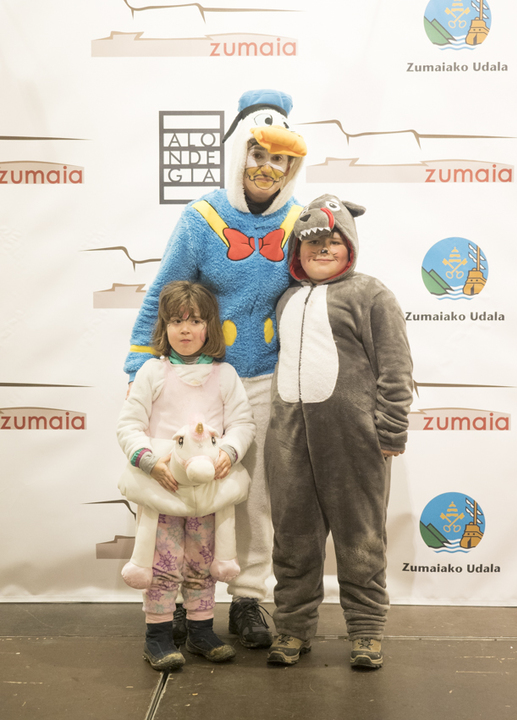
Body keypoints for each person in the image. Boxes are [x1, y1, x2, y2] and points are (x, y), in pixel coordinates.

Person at [124, 89, 307, 648]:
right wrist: (139, 364)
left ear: (292, 167)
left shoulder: (299, 221)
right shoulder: (201, 217)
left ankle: (247, 598)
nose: (267, 169)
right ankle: (181, 599)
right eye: (258, 154)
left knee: (255, 496)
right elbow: (166, 290)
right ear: (238, 154)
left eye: (280, 160)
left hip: (267, 377)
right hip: (198, 375)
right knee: (182, 484)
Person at [264, 195, 414, 668]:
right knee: (292, 539)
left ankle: (366, 631)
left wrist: (390, 431)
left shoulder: (371, 294)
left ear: (350, 245)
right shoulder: (287, 298)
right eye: (312, 244)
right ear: (298, 252)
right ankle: (292, 628)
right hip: (289, 441)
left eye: (334, 241)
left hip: (354, 441)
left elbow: (395, 367)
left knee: (361, 539)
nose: (323, 249)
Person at [117, 281, 256, 670]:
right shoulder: (152, 372)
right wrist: (149, 461)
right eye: (176, 321)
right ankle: (158, 637)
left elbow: (242, 423)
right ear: (164, 327)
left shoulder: (225, 375)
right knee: (162, 562)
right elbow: (129, 425)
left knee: (202, 560)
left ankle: (201, 631)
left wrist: (229, 451)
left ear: (209, 326)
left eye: (195, 321)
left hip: (207, 490)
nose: (185, 329)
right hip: (164, 486)